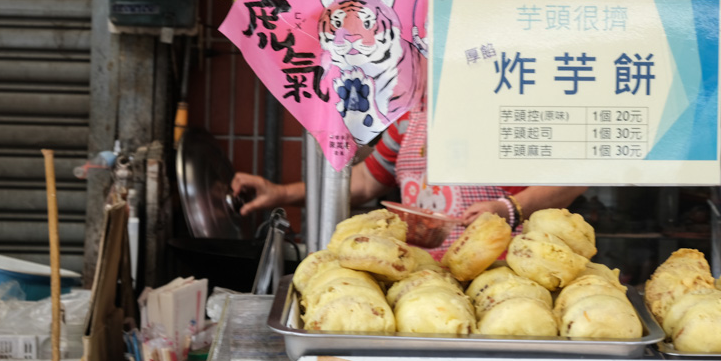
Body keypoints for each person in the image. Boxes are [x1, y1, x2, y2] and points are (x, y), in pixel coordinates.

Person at [231, 103, 587, 257]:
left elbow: (573, 179)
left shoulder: (505, 111)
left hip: (500, 291)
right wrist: (281, 192)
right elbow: (364, 183)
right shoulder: (410, 118)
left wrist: (508, 208)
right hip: (421, 289)